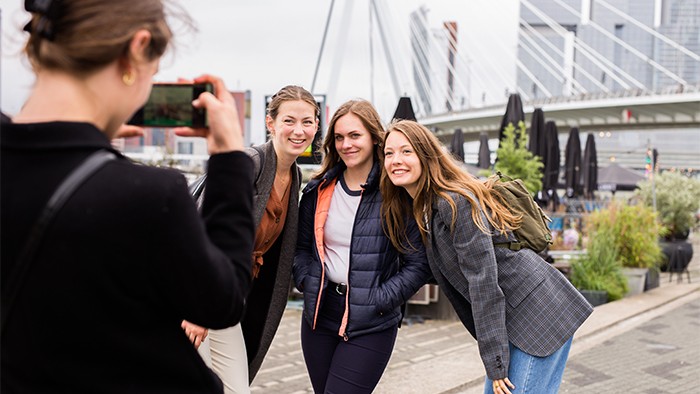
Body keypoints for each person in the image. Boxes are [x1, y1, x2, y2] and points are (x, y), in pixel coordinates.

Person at [1, 1, 254, 392]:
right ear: (137, 48)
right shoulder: (150, 198)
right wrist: (229, 156)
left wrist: (88, 145)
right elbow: (222, 302)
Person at [380, 120, 594, 394]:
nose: (396, 160)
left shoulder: (454, 202)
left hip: (539, 313)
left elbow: (483, 282)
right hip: (515, 318)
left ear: (426, 155)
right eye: (389, 153)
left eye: (406, 151)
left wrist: (495, 364)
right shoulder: (425, 207)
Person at [182, 85, 320, 392]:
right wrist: (197, 310)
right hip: (193, 296)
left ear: (316, 126)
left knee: (236, 387)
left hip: (228, 299)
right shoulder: (249, 163)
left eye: (307, 122)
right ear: (270, 124)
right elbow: (201, 233)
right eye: (289, 121)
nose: (299, 130)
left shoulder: (293, 175)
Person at [293, 100, 431, 393]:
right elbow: (301, 249)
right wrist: (306, 281)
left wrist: (377, 299)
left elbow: (418, 264)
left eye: (355, 136)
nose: (346, 144)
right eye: (339, 138)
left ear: (373, 137)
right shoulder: (317, 191)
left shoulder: (396, 193)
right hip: (319, 315)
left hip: (371, 321)